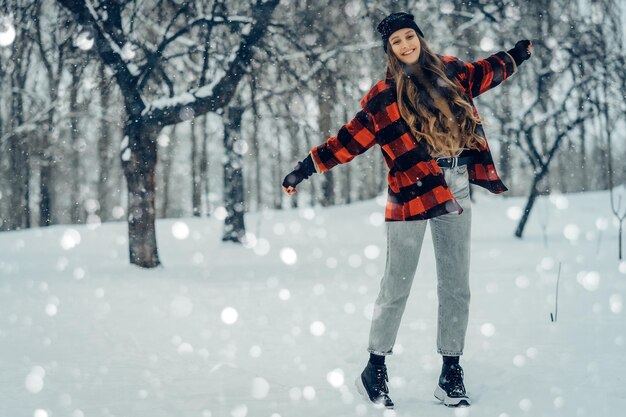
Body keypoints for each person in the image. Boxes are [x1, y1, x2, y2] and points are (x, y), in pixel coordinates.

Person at [282, 12, 532, 409]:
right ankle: (375, 367)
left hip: (457, 185)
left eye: (409, 36)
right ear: (390, 50)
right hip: (410, 193)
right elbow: (348, 140)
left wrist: (516, 56)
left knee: (456, 285)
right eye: (396, 41)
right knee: (396, 284)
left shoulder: (452, 72)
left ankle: (451, 371)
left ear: (420, 37)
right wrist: (306, 167)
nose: (405, 45)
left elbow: (486, 71)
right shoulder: (385, 96)